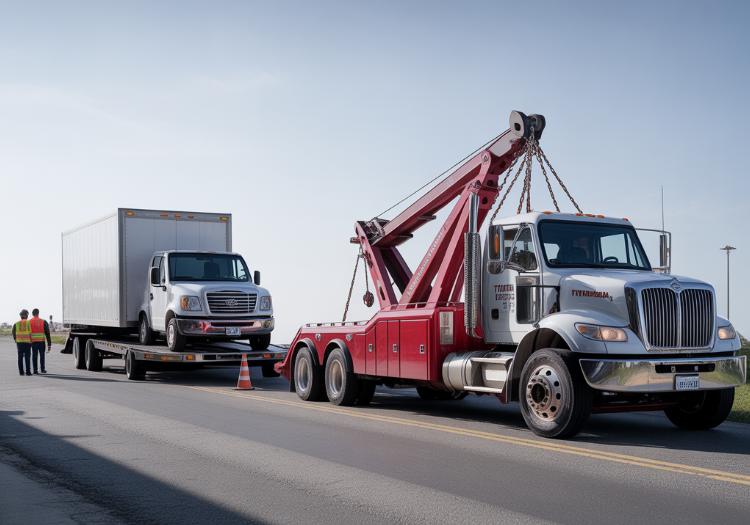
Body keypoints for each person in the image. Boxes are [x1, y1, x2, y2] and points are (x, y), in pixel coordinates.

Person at [29, 308, 52, 374]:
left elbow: (28, 333)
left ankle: (35, 370)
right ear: (38, 313)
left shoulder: (30, 322)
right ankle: (42, 369)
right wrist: (49, 344)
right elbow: (47, 333)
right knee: (42, 355)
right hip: (41, 342)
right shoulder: (43, 322)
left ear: (33, 314)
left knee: (34, 355)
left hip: (33, 342)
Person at [12, 310, 32, 376]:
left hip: (19, 342)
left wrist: (15, 339)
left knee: (20, 358)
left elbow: (13, 332)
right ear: (27, 315)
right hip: (27, 342)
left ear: (20, 316)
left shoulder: (16, 324)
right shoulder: (29, 323)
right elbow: (31, 332)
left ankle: (21, 372)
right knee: (27, 357)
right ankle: (28, 372)